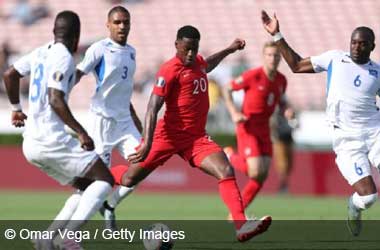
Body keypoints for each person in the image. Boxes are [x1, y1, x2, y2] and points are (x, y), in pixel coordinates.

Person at [108, 25, 272, 242]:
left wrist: (229, 49)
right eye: (186, 49)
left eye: (194, 49)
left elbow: (208, 64)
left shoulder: (198, 63)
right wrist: (147, 142)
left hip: (195, 138)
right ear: (177, 45)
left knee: (225, 169)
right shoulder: (169, 70)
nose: (191, 54)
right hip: (167, 136)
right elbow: (152, 107)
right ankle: (102, 175)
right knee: (129, 179)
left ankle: (241, 225)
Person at [262, 10, 380, 236]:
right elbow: (296, 65)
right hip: (347, 138)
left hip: (375, 131)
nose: (356, 47)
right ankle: (354, 207)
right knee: (368, 197)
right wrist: (277, 35)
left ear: (371, 47)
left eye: (362, 44)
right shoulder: (335, 58)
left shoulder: (377, 72)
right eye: (353, 42)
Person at [3, 10, 114, 249]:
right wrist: (81, 132)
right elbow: (56, 99)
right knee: (105, 180)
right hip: (51, 141)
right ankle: (69, 237)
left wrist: (16, 108)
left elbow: (10, 73)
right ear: (76, 37)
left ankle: (46, 239)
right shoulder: (64, 57)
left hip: (31, 144)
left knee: (86, 186)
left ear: (54, 32)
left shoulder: (42, 51)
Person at [75, 5, 142, 231]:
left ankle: (110, 206)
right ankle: (70, 231)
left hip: (124, 122)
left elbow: (123, 89)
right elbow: (78, 73)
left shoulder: (132, 51)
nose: (122, 26)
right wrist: (58, 94)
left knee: (144, 164)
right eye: (117, 22)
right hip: (101, 123)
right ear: (108, 25)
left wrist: (135, 119)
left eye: (126, 22)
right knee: (98, 184)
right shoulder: (99, 49)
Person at [222, 41, 288, 218]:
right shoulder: (254, 76)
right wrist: (234, 112)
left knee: (261, 175)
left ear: (280, 58)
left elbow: (281, 101)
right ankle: (229, 155)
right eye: (269, 55)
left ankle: (236, 213)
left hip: (265, 128)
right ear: (263, 57)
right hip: (248, 125)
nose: (272, 59)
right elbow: (227, 88)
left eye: (276, 55)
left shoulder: (282, 80)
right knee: (255, 171)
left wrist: (287, 110)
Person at [270, 100, 296, 193]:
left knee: (288, 165)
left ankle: (285, 184)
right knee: (282, 164)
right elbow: (274, 127)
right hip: (280, 141)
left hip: (288, 141)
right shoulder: (277, 116)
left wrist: (291, 119)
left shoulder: (290, 117)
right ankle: (283, 185)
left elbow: (295, 126)